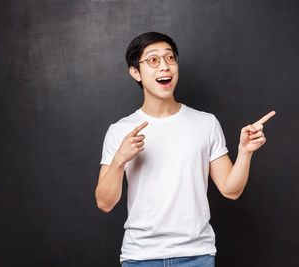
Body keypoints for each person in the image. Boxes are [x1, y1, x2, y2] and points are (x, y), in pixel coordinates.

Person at [95, 32, 276, 266]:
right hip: (141, 257)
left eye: (170, 58)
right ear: (135, 72)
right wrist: (120, 159)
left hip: (196, 255)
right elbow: (105, 203)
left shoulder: (206, 123)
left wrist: (245, 151)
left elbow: (231, 190)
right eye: (153, 60)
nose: (164, 67)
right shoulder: (120, 131)